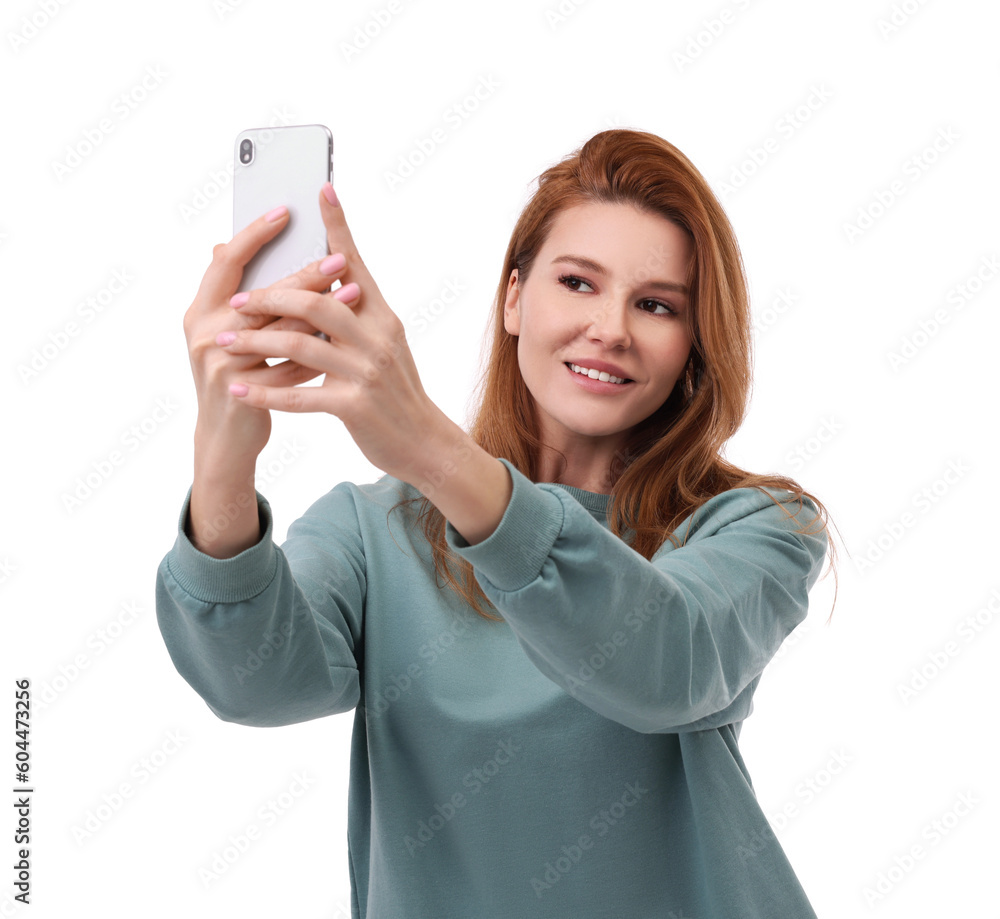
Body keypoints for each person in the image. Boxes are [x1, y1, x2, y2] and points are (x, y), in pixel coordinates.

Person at [156, 128, 836, 918]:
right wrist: (222, 459)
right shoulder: (376, 532)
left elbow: (661, 660)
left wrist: (431, 450)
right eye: (578, 282)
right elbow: (255, 682)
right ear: (514, 297)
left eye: (656, 305)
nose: (611, 327)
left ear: (693, 344)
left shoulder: (755, 527)